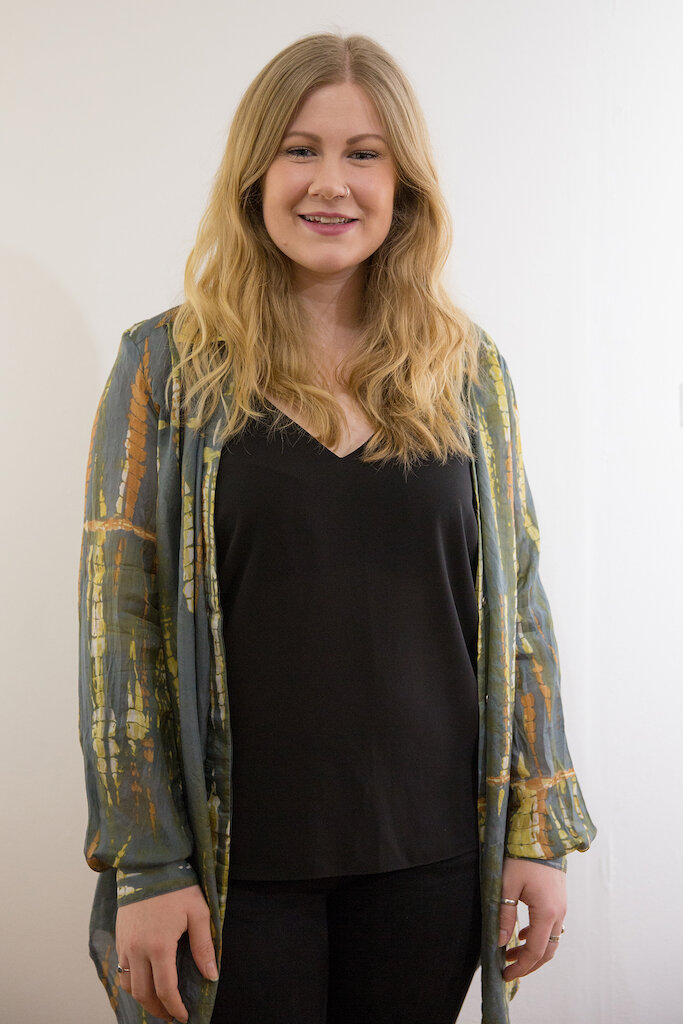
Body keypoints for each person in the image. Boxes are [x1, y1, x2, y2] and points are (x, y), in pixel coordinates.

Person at [78, 31, 596, 1024]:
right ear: (254, 174)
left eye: (363, 153)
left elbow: (517, 609)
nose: (330, 182)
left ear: (403, 183)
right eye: (299, 150)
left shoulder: (465, 370)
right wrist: (147, 860)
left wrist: (537, 829)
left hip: (434, 863)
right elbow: (121, 633)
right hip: (233, 873)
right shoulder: (166, 368)